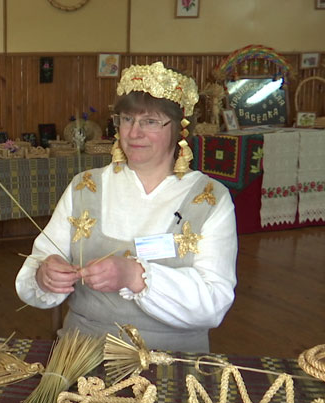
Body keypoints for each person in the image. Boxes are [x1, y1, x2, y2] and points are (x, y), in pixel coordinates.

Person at [15, 62, 237, 352]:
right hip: (81, 353)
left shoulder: (209, 198)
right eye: (127, 119)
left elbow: (214, 303)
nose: (134, 133)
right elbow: (40, 261)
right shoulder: (85, 187)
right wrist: (44, 275)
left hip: (172, 360)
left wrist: (135, 277)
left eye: (151, 122)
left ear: (180, 129)